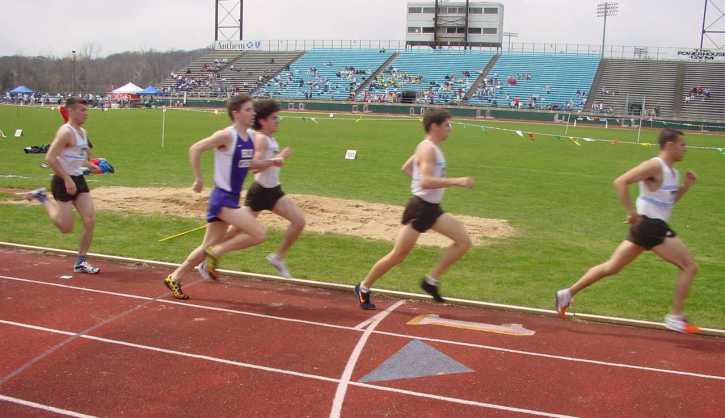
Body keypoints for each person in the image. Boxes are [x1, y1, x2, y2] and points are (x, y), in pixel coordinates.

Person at [555, 128, 700, 334]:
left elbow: (669, 202)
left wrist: (686, 185)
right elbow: (621, 181)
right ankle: (674, 317)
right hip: (650, 226)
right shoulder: (654, 165)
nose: (685, 148)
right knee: (689, 266)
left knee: (612, 267)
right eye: (682, 144)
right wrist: (631, 212)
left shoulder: (673, 172)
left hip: (648, 227)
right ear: (669, 145)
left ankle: (566, 294)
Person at [162, 95, 285, 299]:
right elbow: (195, 148)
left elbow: (252, 166)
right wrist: (198, 179)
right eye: (248, 110)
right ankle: (217, 252)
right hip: (222, 198)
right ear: (236, 113)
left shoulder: (250, 139)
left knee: (205, 246)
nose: (253, 113)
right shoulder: (226, 136)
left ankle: (174, 277)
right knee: (259, 234)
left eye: (253, 110)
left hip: (232, 198)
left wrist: (272, 162)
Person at [354, 109, 474, 310]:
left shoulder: (429, 147)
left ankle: (431, 281)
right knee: (398, 256)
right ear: (434, 126)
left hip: (432, 209)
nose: (450, 129)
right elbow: (426, 181)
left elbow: (407, 168)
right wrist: (457, 181)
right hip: (419, 209)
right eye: (447, 125)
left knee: (463, 242)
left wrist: (420, 182)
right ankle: (363, 287)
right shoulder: (428, 149)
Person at [25, 97, 102, 273]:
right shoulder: (65, 132)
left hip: (79, 180)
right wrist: (67, 179)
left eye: (86, 110)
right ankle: (42, 197)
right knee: (66, 228)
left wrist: (94, 167)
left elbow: (81, 157)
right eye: (82, 110)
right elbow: (50, 158)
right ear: (71, 111)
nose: (86, 114)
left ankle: (81, 261)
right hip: (62, 181)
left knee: (90, 220)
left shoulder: (82, 132)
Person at [244, 99, 303, 278]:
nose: (278, 121)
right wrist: (276, 160)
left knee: (299, 222)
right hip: (260, 191)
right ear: (262, 121)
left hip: (274, 191)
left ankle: (277, 257)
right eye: (274, 118)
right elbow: (253, 167)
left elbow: (270, 164)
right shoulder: (261, 139)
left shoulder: (270, 138)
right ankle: (208, 256)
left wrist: (279, 158)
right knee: (236, 231)